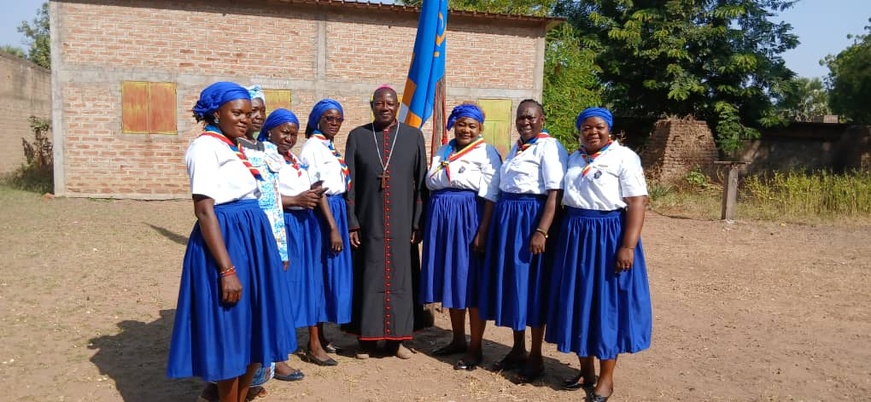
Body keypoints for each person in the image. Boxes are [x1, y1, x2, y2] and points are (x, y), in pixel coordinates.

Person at [167, 82, 296, 402]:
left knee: (256, 327)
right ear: (216, 113)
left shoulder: (236, 146)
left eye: (248, 113)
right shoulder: (205, 148)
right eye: (237, 113)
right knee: (232, 332)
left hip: (254, 239)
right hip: (228, 239)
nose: (245, 119)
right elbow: (204, 210)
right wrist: (227, 269)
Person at [545, 107, 652, 402]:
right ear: (579, 131)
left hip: (607, 235)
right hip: (575, 235)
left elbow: (637, 202)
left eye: (599, 127)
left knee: (606, 306)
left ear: (609, 129)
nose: (592, 132)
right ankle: (586, 371)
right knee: (579, 301)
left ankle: (606, 379)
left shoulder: (624, 157)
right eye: (586, 128)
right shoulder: (574, 158)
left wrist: (627, 246)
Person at [477, 99, 567, 383]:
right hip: (509, 219)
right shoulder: (517, 148)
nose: (525, 122)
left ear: (542, 119)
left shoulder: (550, 147)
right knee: (514, 285)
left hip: (531, 219)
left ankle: (536, 357)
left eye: (530, 117)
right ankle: (518, 348)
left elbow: (555, 193)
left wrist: (541, 231)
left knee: (532, 286)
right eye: (520, 117)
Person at [342, 86, 427, 359]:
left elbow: (421, 184)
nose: (385, 108)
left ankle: (397, 340)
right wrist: (352, 222)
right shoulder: (358, 136)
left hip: (402, 222)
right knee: (369, 276)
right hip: (368, 221)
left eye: (390, 103)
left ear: (397, 106)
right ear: (372, 106)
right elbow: (349, 184)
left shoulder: (413, 136)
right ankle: (367, 340)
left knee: (402, 278)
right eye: (379, 103)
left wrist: (418, 222)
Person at [419, 103, 502, 371]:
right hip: (442, 221)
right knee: (451, 279)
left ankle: (475, 347)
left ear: (480, 128)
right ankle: (457, 339)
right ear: (454, 125)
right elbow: (431, 181)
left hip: (468, 219)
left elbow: (491, 194)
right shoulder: (444, 150)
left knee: (470, 282)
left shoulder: (487, 152)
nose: (466, 129)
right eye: (461, 124)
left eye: (472, 125)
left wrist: (483, 231)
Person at [260, 109, 336, 367]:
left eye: (293, 134)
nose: (289, 138)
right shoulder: (264, 158)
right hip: (284, 225)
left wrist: (313, 194)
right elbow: (262, 196)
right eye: (284, 132)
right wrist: (295, 199)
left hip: (305, 226)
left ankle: (314, 343)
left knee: (310, 283)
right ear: (270, 131)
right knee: (284, 286)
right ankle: (278, 353)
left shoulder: (293, 158)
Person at [300, 99, 353, 354]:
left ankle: (321, 335)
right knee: (318, 275)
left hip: (336, 209)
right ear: (317, 120)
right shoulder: (312, 147)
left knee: (328, 275)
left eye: (338, 119)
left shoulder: (328, 146)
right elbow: (316, 188)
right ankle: (313, 342)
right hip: (324, 213)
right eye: (328, 119)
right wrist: (332, 227)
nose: (334, 123)